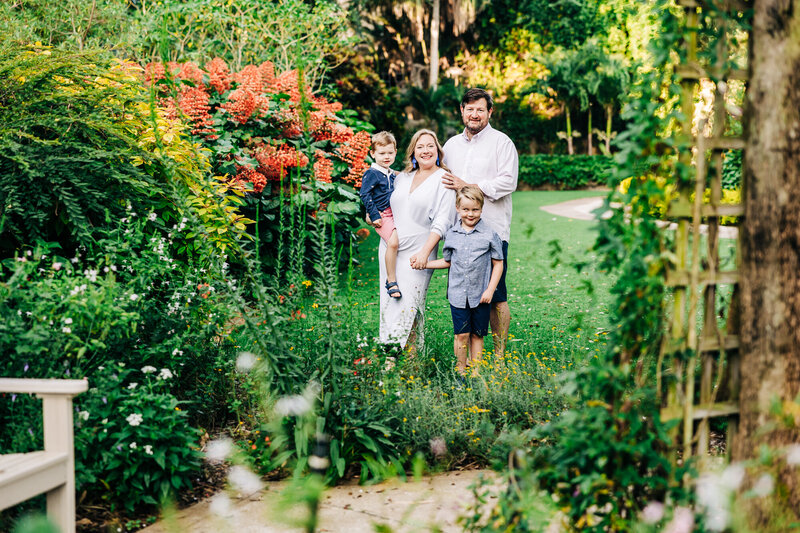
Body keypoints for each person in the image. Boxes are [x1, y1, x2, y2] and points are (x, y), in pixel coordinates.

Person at [442, 88, 518, 357]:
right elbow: (439, 182)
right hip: (459, 234)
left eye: (480, 109)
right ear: (462, 111)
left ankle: (498, 357)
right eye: (470, 109)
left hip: (492, 232)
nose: (475, 114)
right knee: (465, 294)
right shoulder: (450, 146)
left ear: (490, 112)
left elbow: (509, 181)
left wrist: (469, 185)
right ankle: (468, 355)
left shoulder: (502, 143)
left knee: (496, 295)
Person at [374, 129, 456, 354]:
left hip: (419, 251)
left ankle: (390, 361)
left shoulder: (443, 179)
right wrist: (371, 216)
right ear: (413, 152)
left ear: (437, 150)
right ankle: (412, 360)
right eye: (420, 146)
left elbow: (442, 221)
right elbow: (384, 205)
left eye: (430, 146)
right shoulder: (402, 177)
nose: (425, 150)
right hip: (390, 250)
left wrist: (424, 253)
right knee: (391, 302)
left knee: (408, 303)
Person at [426, 186, 504, 375]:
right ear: (458, 208)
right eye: (466, 209)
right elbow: (447, 261)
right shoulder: (452, 234)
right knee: (461, 334)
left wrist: (490, 290)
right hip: (458, 294)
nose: (470, 214)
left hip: (481, 295)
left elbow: (498, 264)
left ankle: (476, 371)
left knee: (477, 334)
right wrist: (425, 264)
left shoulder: (490, 235)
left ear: (481, 209)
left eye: (475, 209)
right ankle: (460, 370)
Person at [359, 131, 402, 298]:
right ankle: (391, 280)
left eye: (390, 153)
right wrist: (374, 214)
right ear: (372, 153)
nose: (386, 157)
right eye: (382, 153)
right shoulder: (372, 173)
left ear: (395, 152)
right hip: (382, 215)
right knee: (393, 242)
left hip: (395, 213)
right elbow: (364, 194)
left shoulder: (390, 173)